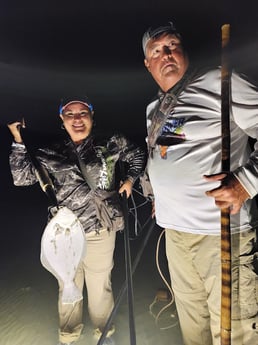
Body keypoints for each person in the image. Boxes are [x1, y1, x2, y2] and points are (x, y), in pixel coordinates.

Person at [141, 21, 258, 345]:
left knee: (234, 333)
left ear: (184, 50)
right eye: (156, 50)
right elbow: (166, 155)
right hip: (175, 237)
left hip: (220, 234)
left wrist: (246, 181)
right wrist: (159, 196)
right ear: (148, 63)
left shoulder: (220, 82)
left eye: (172, 45)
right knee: (194, 331)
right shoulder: (155, 109)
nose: (166, 54)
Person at [8, 96, 145, 345]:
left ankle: (104, 333)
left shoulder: (111, 142)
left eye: (83, 112)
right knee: (67, 284)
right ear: (62, 119)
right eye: (70, 114)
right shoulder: (51, 152)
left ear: (92, 115)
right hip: (65, 235)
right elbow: (22, 176)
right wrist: (17, 139)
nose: (77, 118)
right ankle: (68, 335)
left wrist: (130, 180)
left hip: (100, 230)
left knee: (100, 286)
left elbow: (137, 155)